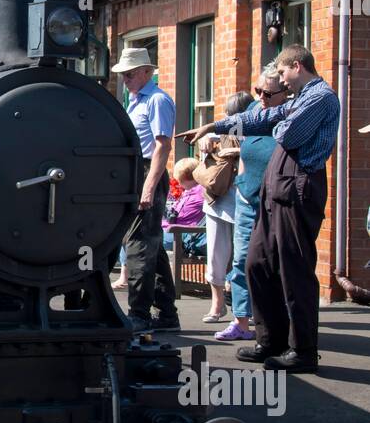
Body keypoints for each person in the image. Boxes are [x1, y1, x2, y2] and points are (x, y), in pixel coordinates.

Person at [180, 45, 340, 373]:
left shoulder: (320, 96)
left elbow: (288, 132)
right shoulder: (298, 100)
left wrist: (278, 121)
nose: (279, 81)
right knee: (256, 264)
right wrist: (215, 127)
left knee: (294, 271)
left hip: (297, 189)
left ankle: (303, 351)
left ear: (297, 66)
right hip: (276, 189)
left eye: (282, 74)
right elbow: (262, 118)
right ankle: (271, 340)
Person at [113, 46, 180, 334]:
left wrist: (148, 188)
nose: (125, 79)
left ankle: (139, 314)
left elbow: (163, 146)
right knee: (151, 245)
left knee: (140, 245)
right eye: (123, 75)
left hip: (147, 171)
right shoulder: (136, 100)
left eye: (129, 74)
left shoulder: (157, 101)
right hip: (135, 171)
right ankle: (166, 312)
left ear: (146, 72)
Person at [214, 67, 282, 343]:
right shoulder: (255, 108)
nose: (261, 96)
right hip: (246, 196)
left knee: (275, 262)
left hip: (275, 200)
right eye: (258, 90)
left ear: (285, 91)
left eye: (267, 92)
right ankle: (241, 321)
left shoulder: (290, 115)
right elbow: (243, 145)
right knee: (242, 260)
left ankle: (275, 324)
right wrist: (242, 179)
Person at [194, 91, 253, 324]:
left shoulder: (258, 131)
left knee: (243, 257)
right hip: (218, 198)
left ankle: (242, 309)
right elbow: (201, 143)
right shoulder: (221, 131)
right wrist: (205, 141)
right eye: (230, 114)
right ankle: (217, 304)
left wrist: (239, 152)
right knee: (217, 256)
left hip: (245, 199)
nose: (233, 119)